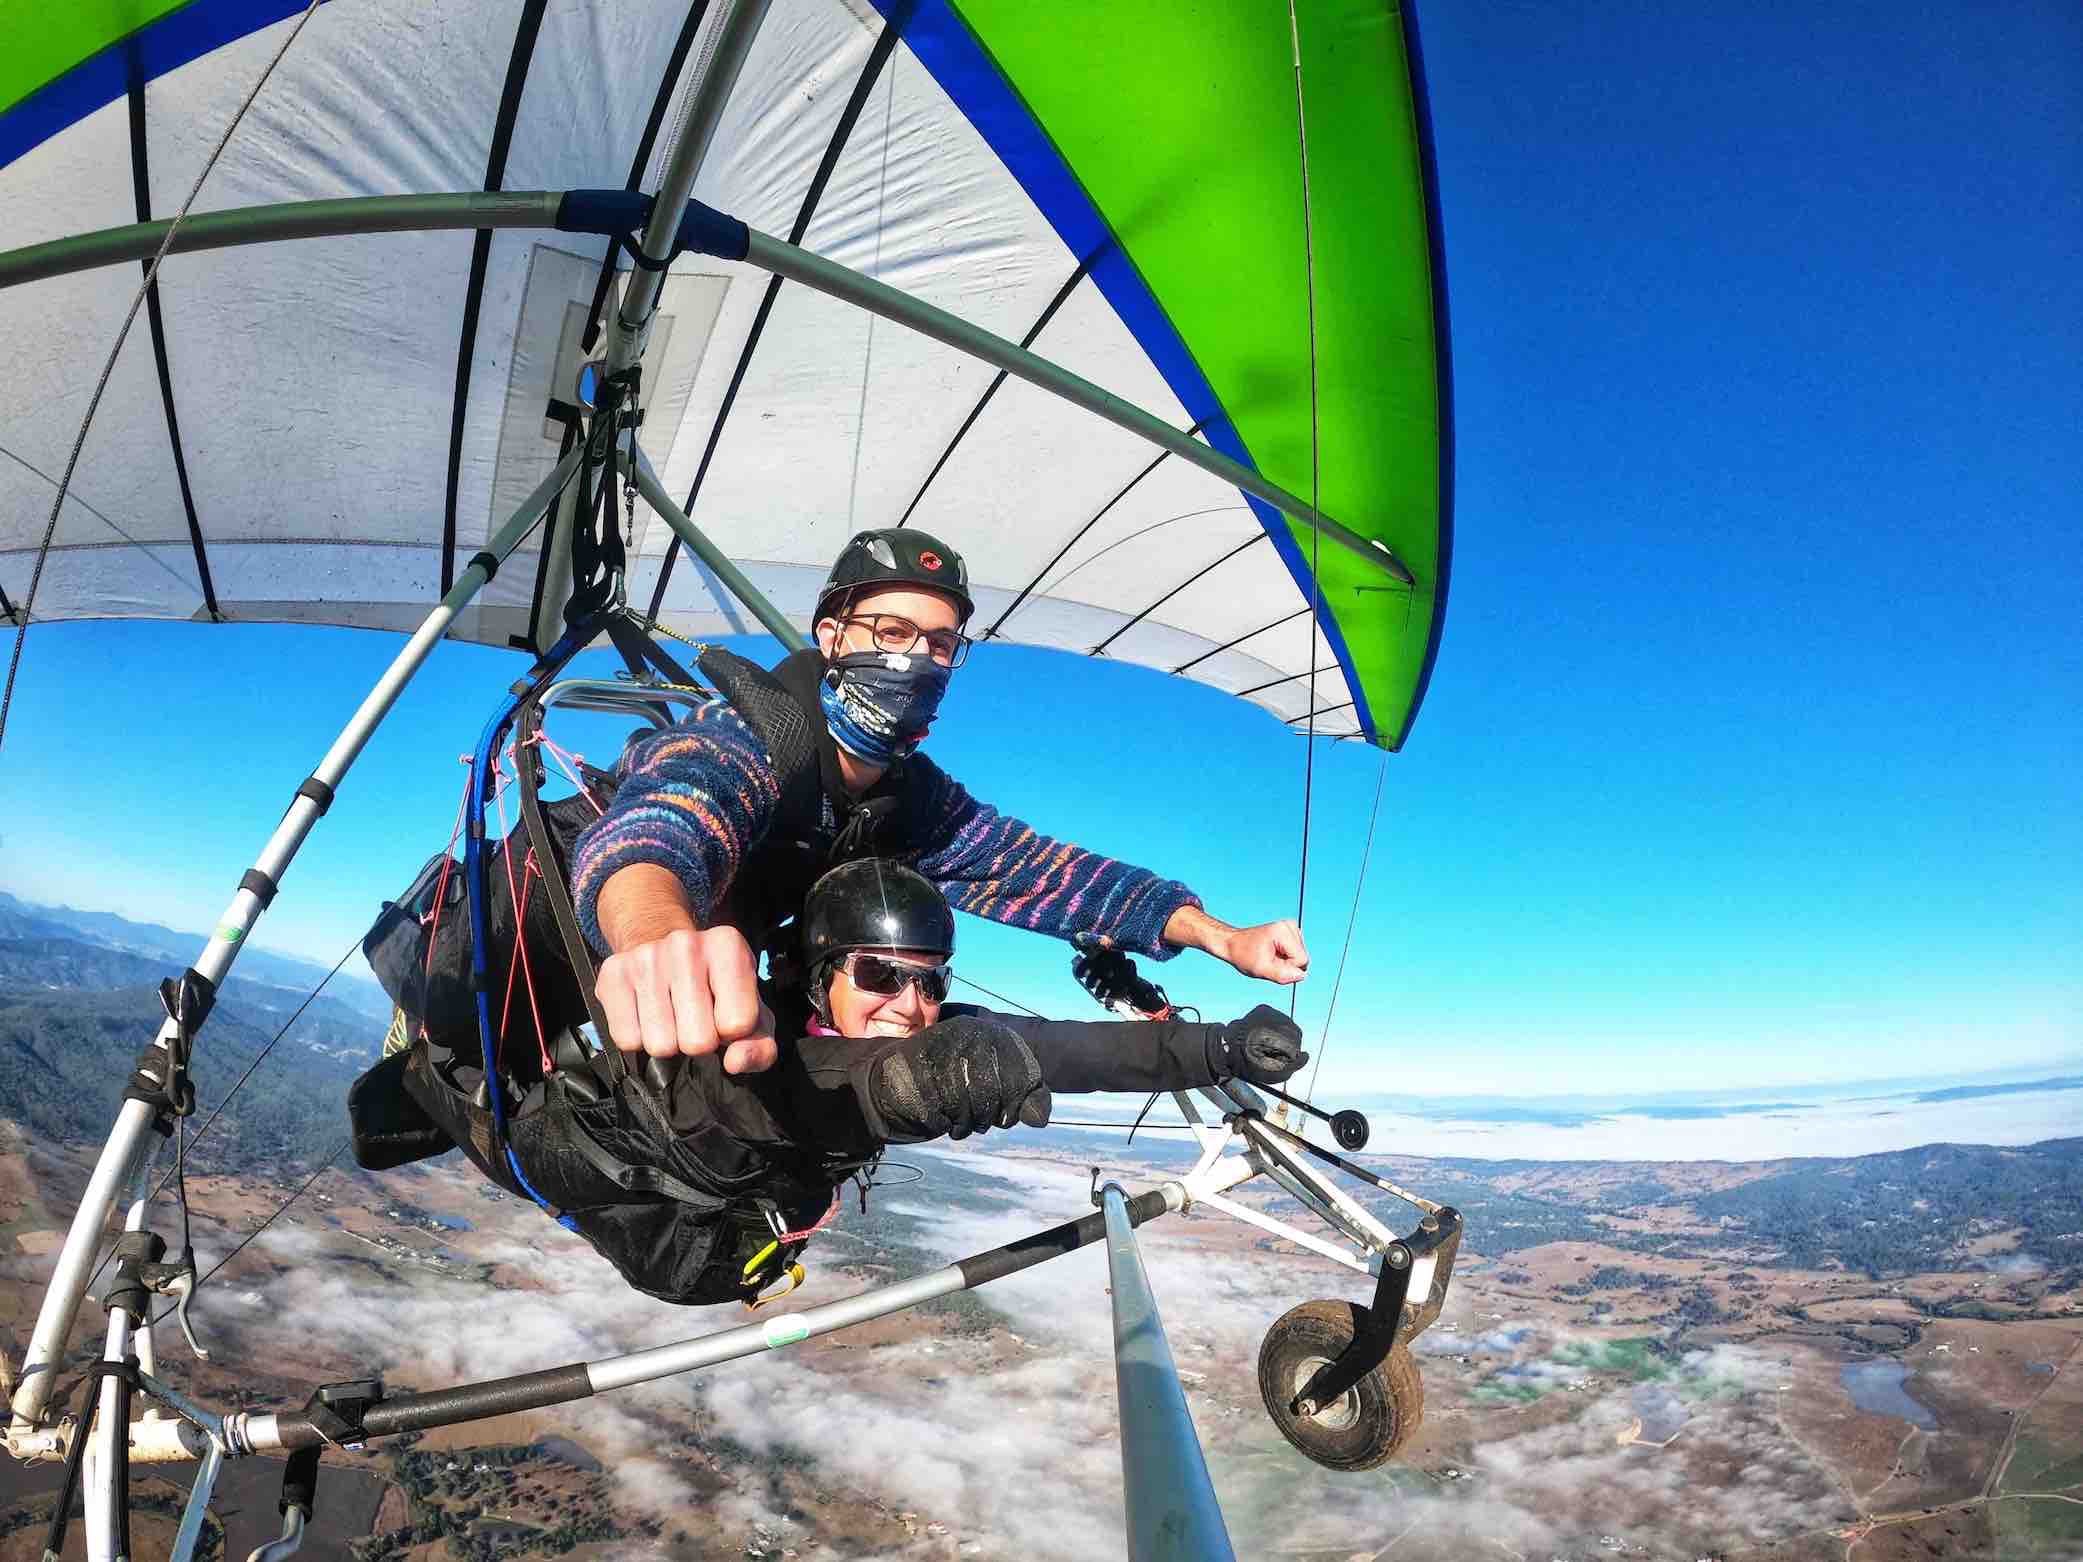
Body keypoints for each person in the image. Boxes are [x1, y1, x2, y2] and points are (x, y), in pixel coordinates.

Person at [569, 526, 1310, 1077]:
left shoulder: (908, 799)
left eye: (941, 643)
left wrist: (1221, 937)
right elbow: (665, 824)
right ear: (832, 637)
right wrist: (655, 936)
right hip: (591, 940)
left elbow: (1050, 874)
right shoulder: (752, 738)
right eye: (892, 632)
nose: (918, 657)